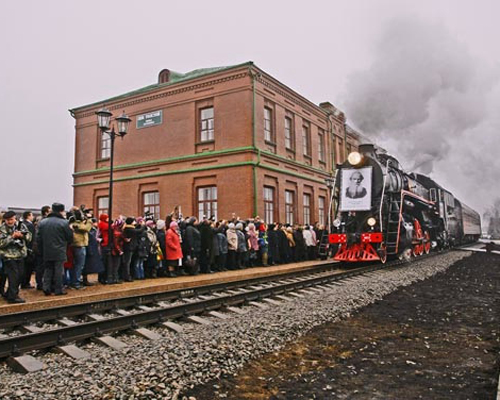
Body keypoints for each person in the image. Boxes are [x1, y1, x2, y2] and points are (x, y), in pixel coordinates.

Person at [37, 203, 73, 296]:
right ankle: (58, 289)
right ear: (61, 211)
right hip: (59, 250)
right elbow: (69, 237)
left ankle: (46, 288)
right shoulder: (64, 222)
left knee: (48, 270)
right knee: (59, 270)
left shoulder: (43, 222)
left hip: (46, 250)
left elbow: (38, 238)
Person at [0, 211, 32, 303]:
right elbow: (1, 243)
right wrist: (12, 237)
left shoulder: (21, 226)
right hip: (8, 256)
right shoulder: (2, 229)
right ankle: (13, 297)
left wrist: (22, 236)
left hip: (20, 255)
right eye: (8, 220)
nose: (10, 222)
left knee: (20, 276)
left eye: (11, 219)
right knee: (13, 276)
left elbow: (29, 237)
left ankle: (9, 293)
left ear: (15, 218)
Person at [69, 209, 93, 289]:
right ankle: (76, 283)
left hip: (77, 245)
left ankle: (74, 281)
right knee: (79, 265)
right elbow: (87, 228)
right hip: (79, 245)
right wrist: (89, 220)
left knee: (76, 265)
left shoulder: (74, 223)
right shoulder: (77, 224)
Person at [21, 211, 36, 288]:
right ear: (28, 216)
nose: (33, 217)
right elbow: (31, 238)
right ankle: (26, 283)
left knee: (25, 267)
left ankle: (24, 282)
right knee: (28, 267)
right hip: (29, 249)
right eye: (32, 215)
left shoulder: (23, 224)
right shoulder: (30, 225)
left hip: (24, 249)